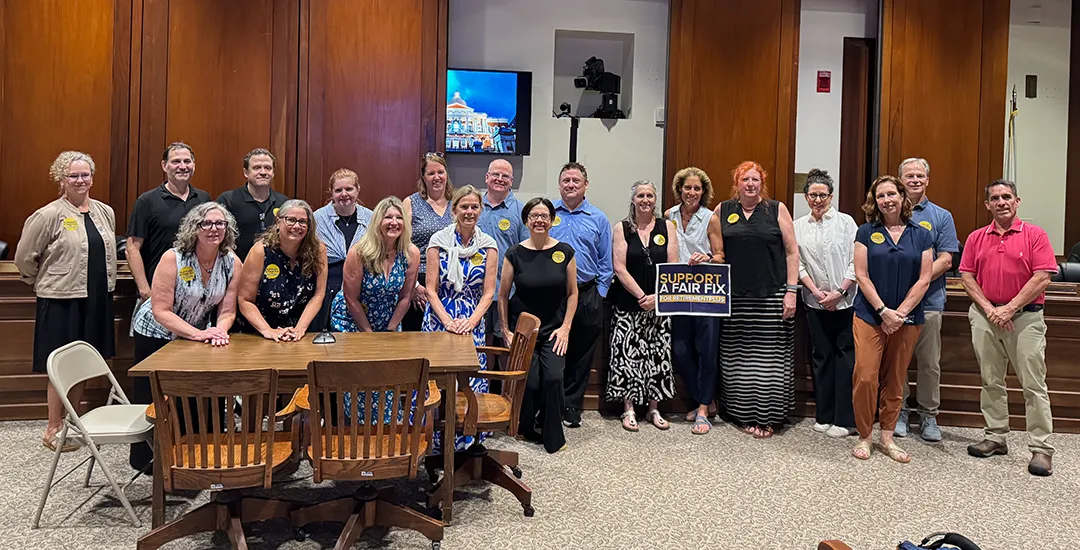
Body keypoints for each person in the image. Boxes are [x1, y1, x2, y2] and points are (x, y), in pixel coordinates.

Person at [129, 202, 243, 470]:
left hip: (196, 335)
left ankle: (191, 458)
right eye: (207, 223)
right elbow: (160, 310)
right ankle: (150, 461)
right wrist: (198, 334)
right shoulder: (174, 258)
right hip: (156, 334)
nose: (214, 229)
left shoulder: (231, 261)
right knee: (158, 399)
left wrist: (219, 331)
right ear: (195, 227)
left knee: (192, 396)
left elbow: (228, 310)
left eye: (220, 223)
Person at [15, 151, 117, 452]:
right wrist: (39, 282)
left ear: (92, 178)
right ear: (61, 179)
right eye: (73, 175)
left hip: (96, 298)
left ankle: (74, 421)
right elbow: (24, 257)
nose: (80, 180)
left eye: (85, 174)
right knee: (61, 365)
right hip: (62, 299)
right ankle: (53, 427)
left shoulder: (104, 212)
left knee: (82, 363)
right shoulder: (48, 215)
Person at [960, 180, 1057, 477]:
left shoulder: (1035, 235)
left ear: (1017, 201)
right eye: (995, 198)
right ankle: (995, 436)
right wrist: (991, 310)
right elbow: (967, 276)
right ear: (987, 205)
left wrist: (1009, 308)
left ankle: (1041, 447)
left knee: (1033, 384)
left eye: (1006, 197)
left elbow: (1043, 276)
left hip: (1025, 318)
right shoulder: (976, 237)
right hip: (985, 316)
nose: (1001, 202)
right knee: (990, 380)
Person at [850, 175, 933, 463]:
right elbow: (861, 275)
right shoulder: (865, 232)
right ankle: (865, 435)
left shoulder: (921, 234)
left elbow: (924, 279)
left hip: (907, 319)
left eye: (891, 194)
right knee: (865, 376)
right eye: (881, 196)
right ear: (875, 201)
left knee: (896, 379)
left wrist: (900, 314)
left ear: (902, 197)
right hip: (869, 315)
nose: (887, 200)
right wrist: (883, 310)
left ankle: (887, 437)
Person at [715, 161, 799, 439]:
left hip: (772, 294)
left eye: (755, 180)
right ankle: (741, 414)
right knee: (738, 359)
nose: (750, 184)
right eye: (745, 179)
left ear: (762, 184)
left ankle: (767, 417)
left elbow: (792, 252)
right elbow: (717, 252)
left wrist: (791, 291)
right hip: (734, 298)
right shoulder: (723, 210)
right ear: (736, 183)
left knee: (768, 362)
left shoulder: (776, 209)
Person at [499, 197, 578, 453]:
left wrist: (565, 328)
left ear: (552, 220)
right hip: (524, 333)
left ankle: (553, 436)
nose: (539, 220)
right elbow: (503, 295)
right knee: (530, 383)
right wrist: (506, 330)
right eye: (534, 216)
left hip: (554, 331)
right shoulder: (514, 253)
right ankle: (526, 428)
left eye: (544, 216)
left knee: (553, 378)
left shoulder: (565, 252)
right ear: (526, 221)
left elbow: (573, 293)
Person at [423, 185, 497, 451]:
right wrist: (447, 321)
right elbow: (430, 289)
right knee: (435, 381)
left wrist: (471, 321)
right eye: (464, 206)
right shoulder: (438, 241)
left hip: (471, 321)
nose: (469, 212)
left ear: (481, 210)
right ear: (454, 210)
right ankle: (434, 442)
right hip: (440, 319)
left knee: (468, 380)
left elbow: (488, 292)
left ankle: (466, 442)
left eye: (474, 207)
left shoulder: (488, 245)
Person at [895, 157, 960, 441]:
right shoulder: (888, 211)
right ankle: (898, 411)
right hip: (894, 303)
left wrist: (917, 282)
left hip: (929, 301)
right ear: (900, 180)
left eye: (919, 176)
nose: (914, 180)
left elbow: (946, 259)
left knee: (929, 362)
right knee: (897, 360)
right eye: (909, 175)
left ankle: (928, 415)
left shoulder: (941, 216)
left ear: (927, 180)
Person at [608, 181, 679, 432]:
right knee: (627, 356)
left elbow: (673, 265)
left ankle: (653, 408)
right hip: (629, 304)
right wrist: (642, 297)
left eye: (649, 195)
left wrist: (657, 298)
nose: (645, 200)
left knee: (657, 356)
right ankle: (628, 409)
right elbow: (619, 267)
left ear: (655, 199)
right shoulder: (622, 228)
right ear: (633, 199)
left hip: (660, 304)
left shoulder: (667, 226)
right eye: (640, 195)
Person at [793, 169, 858, 439]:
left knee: (845, 358)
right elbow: (797, 264)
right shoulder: (798, 226)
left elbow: (856, 261)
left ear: (831, 196)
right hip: (814, 301)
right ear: (806, 197)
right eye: (813, 195)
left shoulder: (846, 223)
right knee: (821, 357)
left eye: (823, 195)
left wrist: (839, 292)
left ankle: (845, 419)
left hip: (845, 302)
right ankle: (824, 414)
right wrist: (816, 292)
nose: (818, 200)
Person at [549, 162, 612, 429]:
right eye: (566, 180)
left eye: (576, 180)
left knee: (581, 354)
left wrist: (598, 295)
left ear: (586, 185)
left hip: (587, 294)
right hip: (554, 295)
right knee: (552, 351)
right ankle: (551, 405)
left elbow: (606, 263)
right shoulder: (548, 213)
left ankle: (572, 405)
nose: (571, 185)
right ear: (559, 184)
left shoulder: (599, 218)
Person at [665, 167, 725, 435]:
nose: (691, 192)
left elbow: (721, 256)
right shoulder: (669, 216)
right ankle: (706, 399)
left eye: (697, 189)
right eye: (687, 187)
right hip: (677, 292)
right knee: (679, 350)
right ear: (679, 189)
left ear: (704, 192)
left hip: (706, 293)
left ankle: (702, 409)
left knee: (707, 350)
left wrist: (707, 257)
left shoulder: (711, 218)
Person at [127, 142, 211, 306]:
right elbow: (132, 249)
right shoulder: (147, 201)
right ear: (164, 166)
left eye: (187, 161)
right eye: (176, 161)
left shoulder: (203, 199)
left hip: (196, 293)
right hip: (157, 291)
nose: (182, 166)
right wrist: (145, 290)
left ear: (193, 165)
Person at [237, 199, 327, 341]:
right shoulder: (260, 251)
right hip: (259, 334)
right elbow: (245, 300)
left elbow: (318, 295)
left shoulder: (318, 250)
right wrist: (268, 331)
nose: (296, 226)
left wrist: (300, 329)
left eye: (302, 222)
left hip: (299, 334)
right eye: (290, 220)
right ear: (278, 221)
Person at [330, 196, 420, 332]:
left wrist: (391, 330)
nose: (394, 222)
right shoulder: (359, 252)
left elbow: (405, 297)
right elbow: (351, 298)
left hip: (388, 321)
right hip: (351, 319)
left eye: (399, 218)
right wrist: (369, 334)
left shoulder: (411, 253)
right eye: (388, 217)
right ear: (377, 222)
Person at [312, 168, 374, 331]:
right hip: (328, 286)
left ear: (358, 189)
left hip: (363, 288)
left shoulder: (372, 218)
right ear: (331, 192)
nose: (344, 194)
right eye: (338, 190)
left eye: (349, 189)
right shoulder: (317, 218)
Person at [477, 159, 529, 345]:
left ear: (511, 181)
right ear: (487, 177)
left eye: (505, 176)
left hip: (508, 292)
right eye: (495, 174)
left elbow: (526, 252)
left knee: (507, 342)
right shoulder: (474, 207)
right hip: (476, 290)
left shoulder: (521, 211)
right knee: (481, 342)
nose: (500, 179)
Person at [403, 153, 454, 331]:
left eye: (440, 172)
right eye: (431, 173)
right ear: (423, 177)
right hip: (419, 281)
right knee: (417, 337)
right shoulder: (411, 203)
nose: (436, 177)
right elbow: (400, 246)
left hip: (450, 281)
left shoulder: (457, 203)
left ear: (446, 174)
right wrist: (414, 285)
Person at [216, 148, 290, 261]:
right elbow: (218, 237)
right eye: (257, 168)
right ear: (245, 172)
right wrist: (236, 265)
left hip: (274, 267)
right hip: (237, 266)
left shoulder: (284, 202)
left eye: (268, 168)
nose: (263, 172)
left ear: (273, 173)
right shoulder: (228, 200)